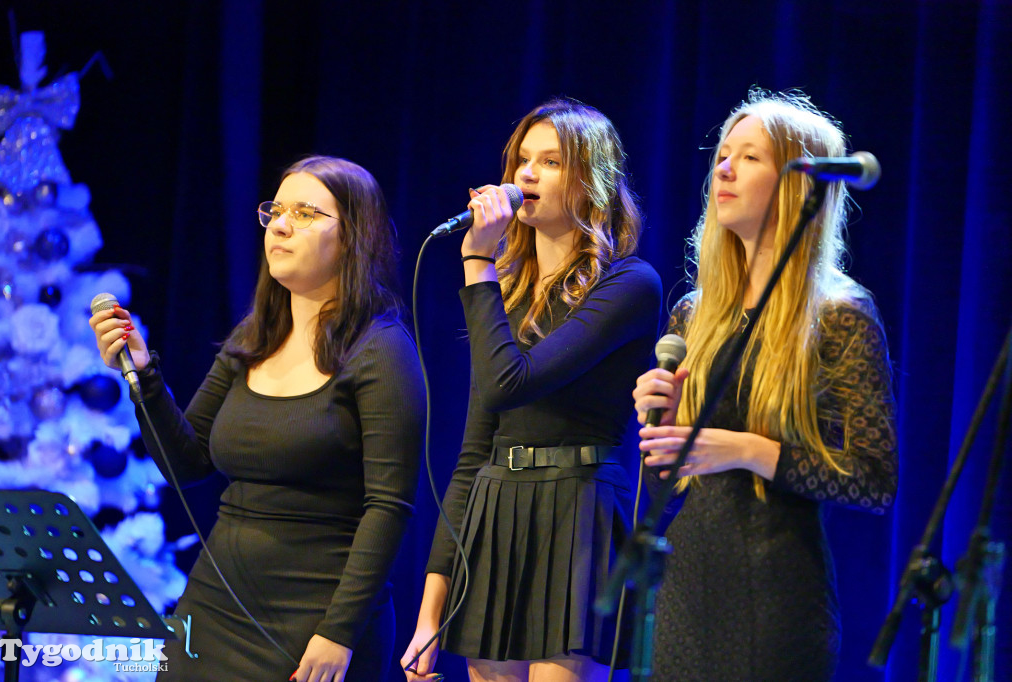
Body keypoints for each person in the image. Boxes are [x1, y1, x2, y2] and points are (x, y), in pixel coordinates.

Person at [89, 155, 425, 682]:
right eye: (277, 211)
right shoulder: (255, 337)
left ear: (354, 239)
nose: (282, 226)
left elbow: (389, 505)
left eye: (308, 213)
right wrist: (144, 374)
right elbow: (186, 463)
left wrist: (339, 632)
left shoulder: (381, 351)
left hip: (316, 622)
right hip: (215, 608)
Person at [632, 90, 898, 681]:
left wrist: (746, 449)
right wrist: (660, 424)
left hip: (779, 595)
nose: (723, 168)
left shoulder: (839, 316)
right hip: (683, 589)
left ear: (796, 184)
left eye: (748, 157)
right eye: (722, 155)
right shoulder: (694, 315)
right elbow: (661, 491)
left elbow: (876, 483)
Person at [403, 98, 662, 682]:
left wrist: (476, 261)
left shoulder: (628, 283)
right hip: (497, 513)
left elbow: (508, 382)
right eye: (522, 159)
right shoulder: (507, 292)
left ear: (591, 181)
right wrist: (429, 617)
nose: (526, 175)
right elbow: (473, 453)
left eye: (549, 162)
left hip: (578, 510)